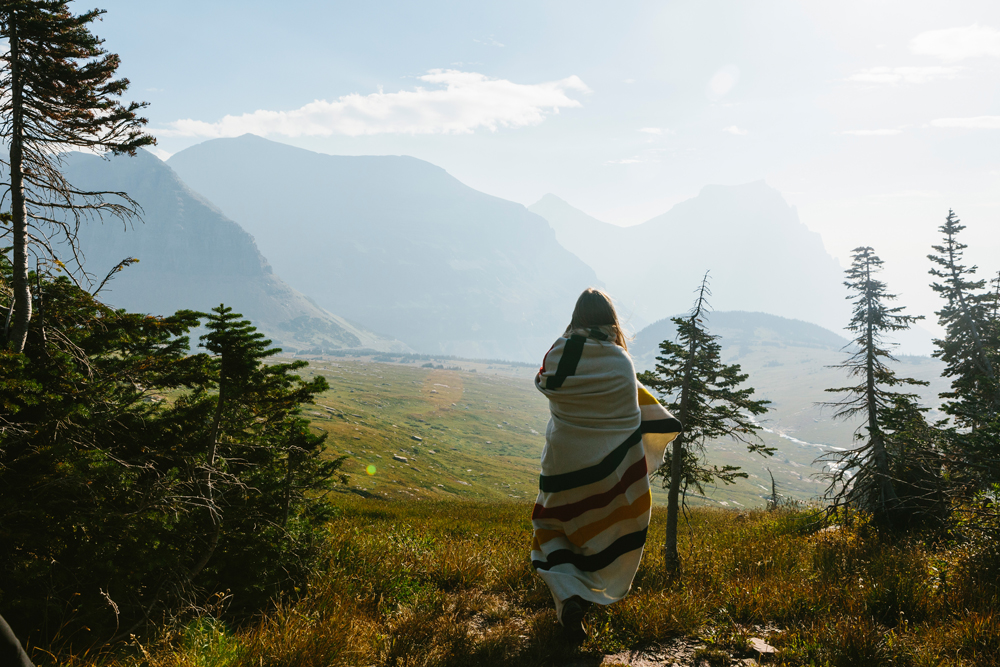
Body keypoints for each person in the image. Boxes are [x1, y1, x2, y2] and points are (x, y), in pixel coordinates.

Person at [531, 288, 681, 638]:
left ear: (577, 316)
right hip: (608, 473)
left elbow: (543, 381)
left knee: (552, 529)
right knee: (597, 536)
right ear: (611, 318)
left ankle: (569, 596)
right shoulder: (619, 361)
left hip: (562, 467)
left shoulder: (559, 352)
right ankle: (582, 595)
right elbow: (629, 419)